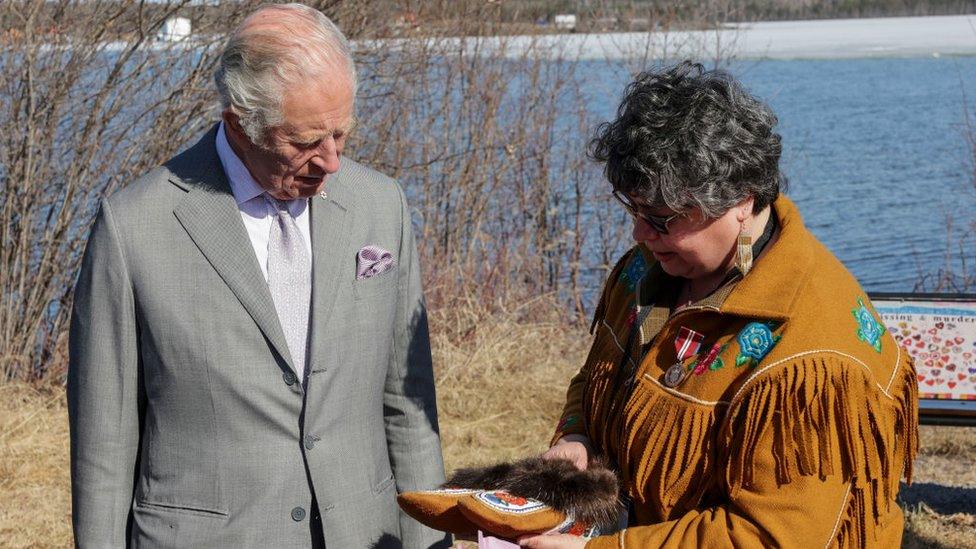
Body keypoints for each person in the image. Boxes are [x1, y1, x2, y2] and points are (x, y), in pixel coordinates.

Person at [67, 4, 449, 547]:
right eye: (304, 143)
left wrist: (433, 538)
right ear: (239, 126)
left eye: (341, 134)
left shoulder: (380, 207)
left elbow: (408, 407)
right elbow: (102, 446)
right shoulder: (134, 228)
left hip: (366, 533)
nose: (331, 162)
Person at [521, 62, 918, 548]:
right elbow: (596, 376)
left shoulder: (813, 357)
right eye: (634, 211)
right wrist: (576, 437)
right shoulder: (647, 268)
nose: (640, 234)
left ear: (742, 201)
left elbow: (770, 537)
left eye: (663, 218)